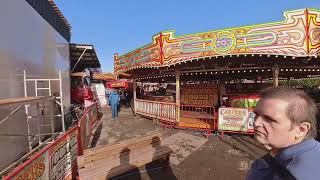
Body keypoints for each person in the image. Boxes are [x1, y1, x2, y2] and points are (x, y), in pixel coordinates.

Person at [246, 87, 320, 180]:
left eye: (269, 119)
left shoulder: (290, 174)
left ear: (301, 129)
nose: (256, 123)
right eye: (256, 115)